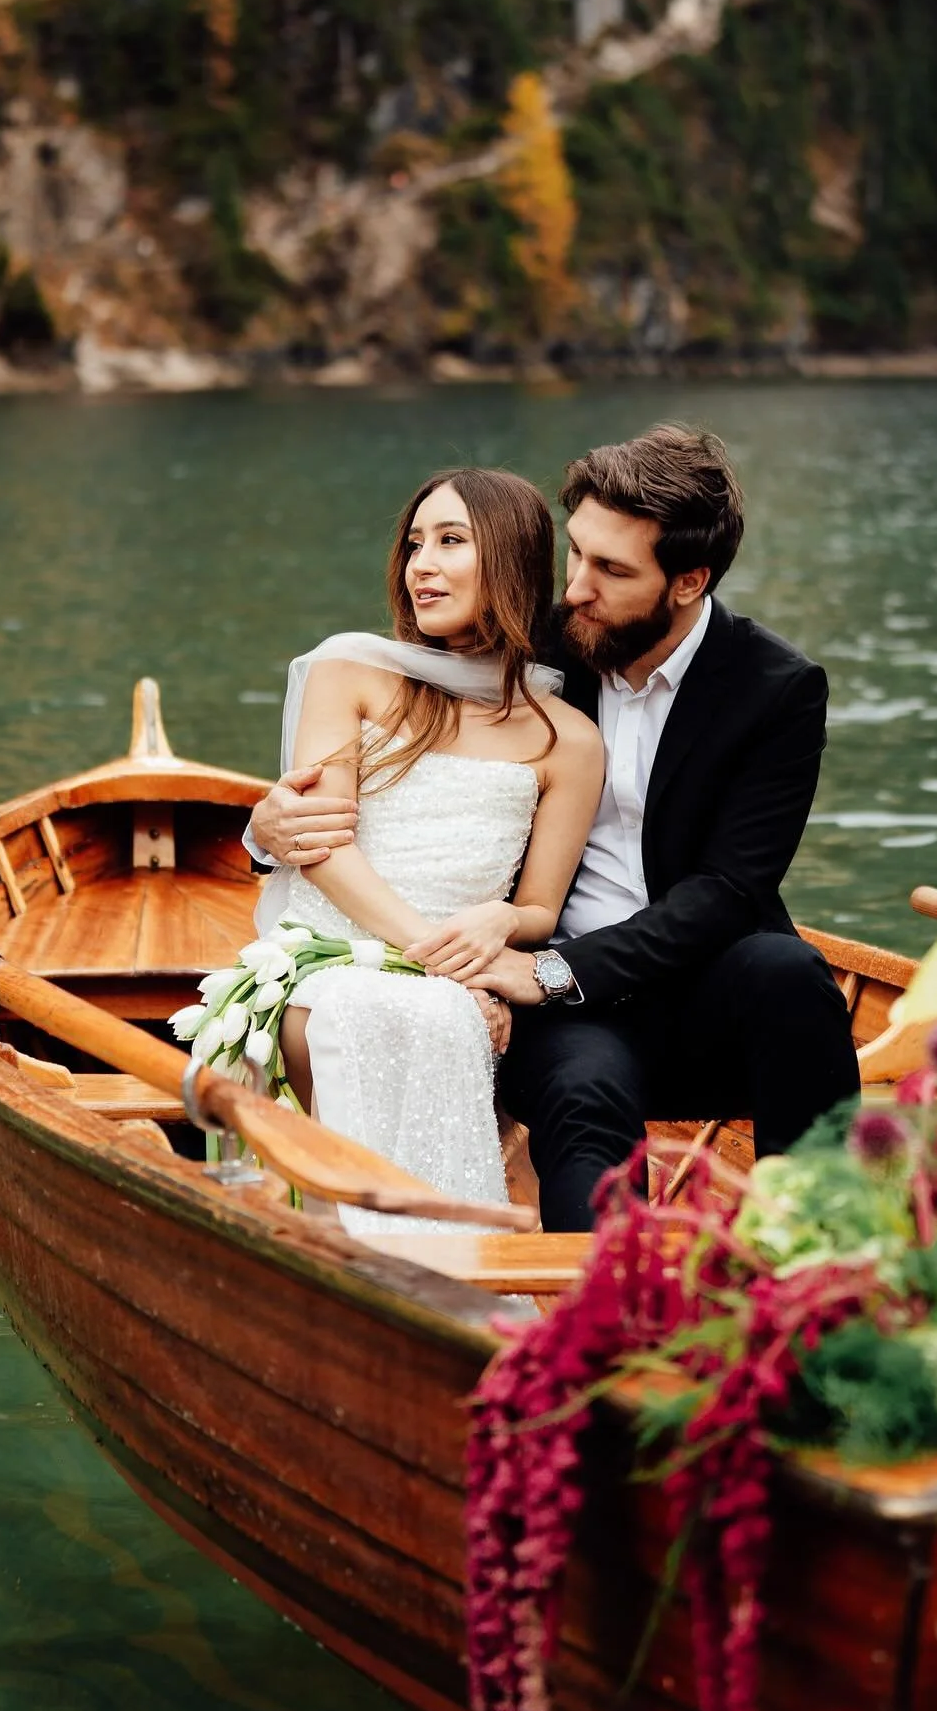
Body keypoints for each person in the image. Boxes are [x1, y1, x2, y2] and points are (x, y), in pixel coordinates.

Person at [250, 426, 859, 1232]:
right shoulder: (525, 640)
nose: (575, 589)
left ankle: (822, 1250)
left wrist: (551, 971)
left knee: (791, 975)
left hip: (686, 974)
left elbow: (728, 890)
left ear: (689, 581)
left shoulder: (774, 688)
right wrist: (266, 831)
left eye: (611, 570)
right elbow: (396, 764)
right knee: (584, 1092)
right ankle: (600, 1295)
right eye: (575, 554)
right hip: (556, 1005)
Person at [243, 468, 602, 1236]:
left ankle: (453, 1255)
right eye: (414, 545)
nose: (422, 567)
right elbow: (320, 845)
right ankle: (366, 1250)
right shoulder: (349, 672)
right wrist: (437, 965)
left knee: (438, 1018)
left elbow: (541, 907)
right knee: (375, 1010)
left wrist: (501, 927)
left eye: (450, 542)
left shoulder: (568, 738)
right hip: (331, 962)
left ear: (510, 560)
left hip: (458, 977)